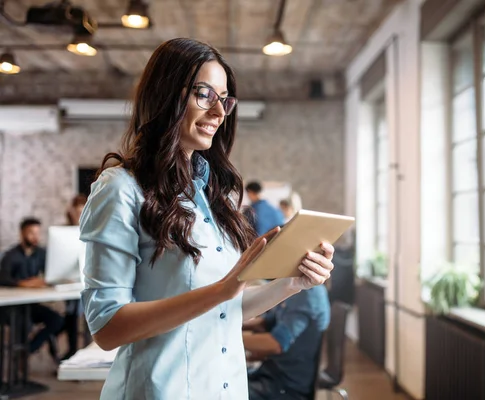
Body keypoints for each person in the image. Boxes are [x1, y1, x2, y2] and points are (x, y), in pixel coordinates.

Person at [79, 38, 335, 400]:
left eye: (225, 99)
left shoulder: (212, 195)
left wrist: (293, 283)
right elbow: (107, 327)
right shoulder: (121, 188)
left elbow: (225, 309)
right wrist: (221, 290)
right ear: (166, 94)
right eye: (204, 94)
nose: (219, 112)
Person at [244, 285, 330, 399]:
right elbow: (268, 320)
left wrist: (232, 338)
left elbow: (276, 343)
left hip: (287, 385)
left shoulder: (308, 293)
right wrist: (231, 324)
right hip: (272, 372)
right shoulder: (293, 285)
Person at [0, 218, 64, 354]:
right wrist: (24, 284)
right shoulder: (10, 256)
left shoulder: (41, 254)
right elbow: (4, 279)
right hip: (12, 306)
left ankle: (28, 350)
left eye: (37, 233)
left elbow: (51, 272)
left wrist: (46, 281)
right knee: (24, 324)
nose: (35, 237)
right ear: (22, 233)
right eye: (31, 233)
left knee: (56, 320)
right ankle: (17, 366)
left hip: (31, 304)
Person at [62, 194, 89, 360]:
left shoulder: (93, 228)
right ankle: (72, 351)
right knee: (71, 313)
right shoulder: (63, 233)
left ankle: (85, 354)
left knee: (87, 315)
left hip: (88, 279)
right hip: (70, 282)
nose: (79, 216)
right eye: (76, 212)